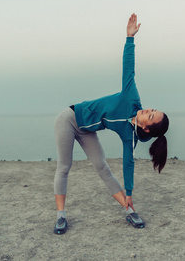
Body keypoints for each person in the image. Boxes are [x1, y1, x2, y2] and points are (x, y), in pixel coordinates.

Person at [53, 13, 169, 235]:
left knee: (102, 167)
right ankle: (60, 216)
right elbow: (129, 68)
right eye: (153, 110)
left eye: (151, 116)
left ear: (147, 128)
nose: (148, 110)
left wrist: (130, 192)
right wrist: (129, 38)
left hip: (87, 130)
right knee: (64, 166)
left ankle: (129, 210)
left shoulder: (131, 136)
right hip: (69, 119)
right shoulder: (131, 97)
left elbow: (128, 162)